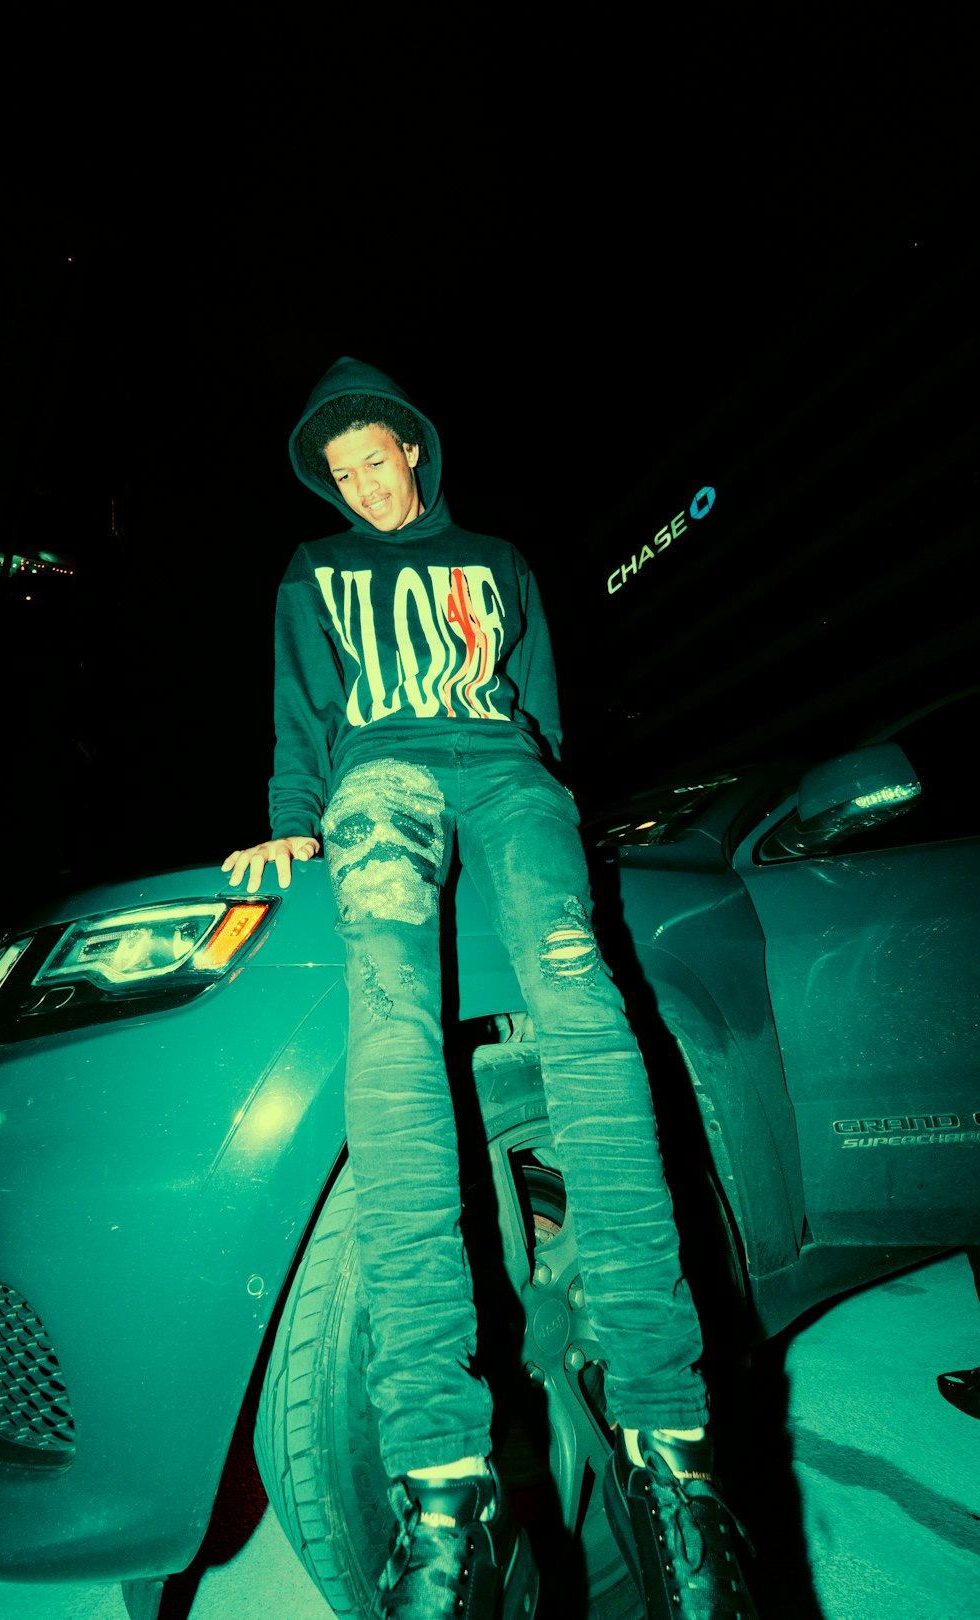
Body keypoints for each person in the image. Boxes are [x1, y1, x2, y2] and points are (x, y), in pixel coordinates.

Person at [223, 357, 757, 1620]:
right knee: (395, 1048)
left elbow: (548, 717)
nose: (359, 486)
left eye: (374, 462)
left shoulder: (500, 559)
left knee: (587, 1017)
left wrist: (551, 821)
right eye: (337, 473)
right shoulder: (312, 574)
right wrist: (290, 820)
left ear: (414, 451)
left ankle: (670, 1453)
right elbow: (305, 716)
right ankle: (441, 1477)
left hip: (512, 781)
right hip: (380, 787)